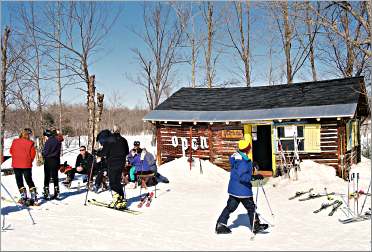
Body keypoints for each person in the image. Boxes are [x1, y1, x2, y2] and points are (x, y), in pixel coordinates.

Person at [215, 140, 269, 234]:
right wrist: (253, 177)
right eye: (249, 147)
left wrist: (252, 165)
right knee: (251, 207)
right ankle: (255, 225)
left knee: (230, 207)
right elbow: (242, 176)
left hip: (234, 189)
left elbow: (241, 168)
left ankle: (220, 224)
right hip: (242, 190)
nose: (250, 148)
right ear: (246, 148)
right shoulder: (243, 162)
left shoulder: (238, 157)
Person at [99, 126, 129, 209]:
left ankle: (116, 199)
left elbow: (103, 153)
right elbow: (127, 151)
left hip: (112, 163)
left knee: (112, 183)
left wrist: (97, 153)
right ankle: (121, 199)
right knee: (117, 182)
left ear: (113, 131)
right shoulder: (124, 140)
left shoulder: (109, 140)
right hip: (121, 163)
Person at [9, 129, 37, 205]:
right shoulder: (30, 143)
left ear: (21, 134)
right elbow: (33, 154)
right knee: (29, 180)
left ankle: (23, 197)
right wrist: (29, 160)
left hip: (16, 164)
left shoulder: (15, 141)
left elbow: (11, 151)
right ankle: (34, 198)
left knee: (19, 181)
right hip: (26, 164)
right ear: (28, 135)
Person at [42, 128, 62, 199]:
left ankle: (46, 192)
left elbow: (46, 152)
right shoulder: (58, 140)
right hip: (56, 159)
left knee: (47, 176)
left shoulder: (48, 141)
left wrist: (43, 153)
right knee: (55, 176)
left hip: (49, 160)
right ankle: (57, 192)